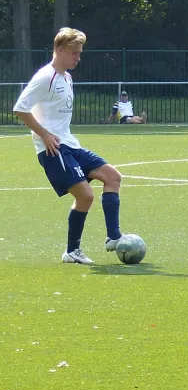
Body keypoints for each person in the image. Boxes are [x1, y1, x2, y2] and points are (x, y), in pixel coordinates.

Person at [13, 27, 125, 265]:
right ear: (60, 50)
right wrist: (44, 135)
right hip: (53, 149)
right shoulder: (46, 77)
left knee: (113, 177)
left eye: (79, 53)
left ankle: (114, 238)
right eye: (74, 53)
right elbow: (20, 109)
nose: (78, 58)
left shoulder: (67, 77)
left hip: (70, 144)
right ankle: (72, 251)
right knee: (85, 196)